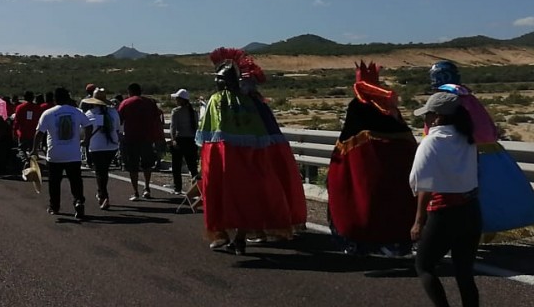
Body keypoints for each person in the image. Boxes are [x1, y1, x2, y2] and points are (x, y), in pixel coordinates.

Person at [196, 48, 306, 255]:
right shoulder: (251, 103)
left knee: (223, 194)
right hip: (249, 158)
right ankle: (239, 237)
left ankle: (232, 236)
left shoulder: (217, 101)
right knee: (247, 196)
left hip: (224, 158)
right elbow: (261, 136)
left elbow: (205, 136)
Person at [428, 61, 534, 239]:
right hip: (491, 153)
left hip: (462, 153)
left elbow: (434, 130)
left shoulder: (444, 100)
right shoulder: (467, 95)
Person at [410, 91, 484, 307]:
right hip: (472, 211)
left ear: (438, 116)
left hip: (444, 212)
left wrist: (419, 221)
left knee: (424, 265)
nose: (427, 119)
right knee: (465, 274)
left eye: (428, 114)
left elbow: (422, 184)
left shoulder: (432, 142)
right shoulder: (468, 139)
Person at [326, 61, 417, 256]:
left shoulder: (359, 107)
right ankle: (396, 242)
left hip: (365, 166)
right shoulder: (388, 107)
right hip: (396, 166)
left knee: (362, 200)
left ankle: (359, 242)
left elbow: (346, 140)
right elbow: (407, 137)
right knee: (394, 201)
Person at [31, 87, 93, 219]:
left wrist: (34, 149)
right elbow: (88, 125)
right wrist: (86, 140)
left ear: (55, 99)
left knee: (54, 182)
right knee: (76, 181)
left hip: (55, 154)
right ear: (68, 98)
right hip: (73, 154)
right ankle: (78, 201)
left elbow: (39, 133)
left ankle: (54, 206)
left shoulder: (48, 113)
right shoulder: (76, 112)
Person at [118, 83, 163, 201]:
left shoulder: (125, 103)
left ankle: (135, 191)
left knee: (133, 166)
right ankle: (147, 187)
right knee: (147, 165)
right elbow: (156, 118)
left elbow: (119, 120)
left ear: (130, 92)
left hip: (131, 138)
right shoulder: (150, 102)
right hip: (147, 138)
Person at [82, 88, 121, 210]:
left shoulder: (89, 114)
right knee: (104, 171)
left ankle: (103, 195)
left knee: (100, 172)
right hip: (112, 145)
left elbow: (83, 130)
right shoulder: (113, 112)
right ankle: (101, 193)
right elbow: (117, 128)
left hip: (96, 146)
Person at [169, 88, 199, 196]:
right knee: (192, 166)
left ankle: (178, 188)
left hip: (180, 140)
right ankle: (197, 188)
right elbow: (196, 127)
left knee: (176, 166)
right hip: (191, 140)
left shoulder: (176, 112)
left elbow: (173, 127)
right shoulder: (194, 112)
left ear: (181, 100)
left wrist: (173, 140)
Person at [13, 90, 41, 160]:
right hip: (33, 133)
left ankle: (25, 161)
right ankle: (33, 164)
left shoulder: (20, 107)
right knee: (33, 150)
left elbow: (17, 121)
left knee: (22, 150)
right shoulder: (37, 108)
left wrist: (14, 131)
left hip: (23, 133)